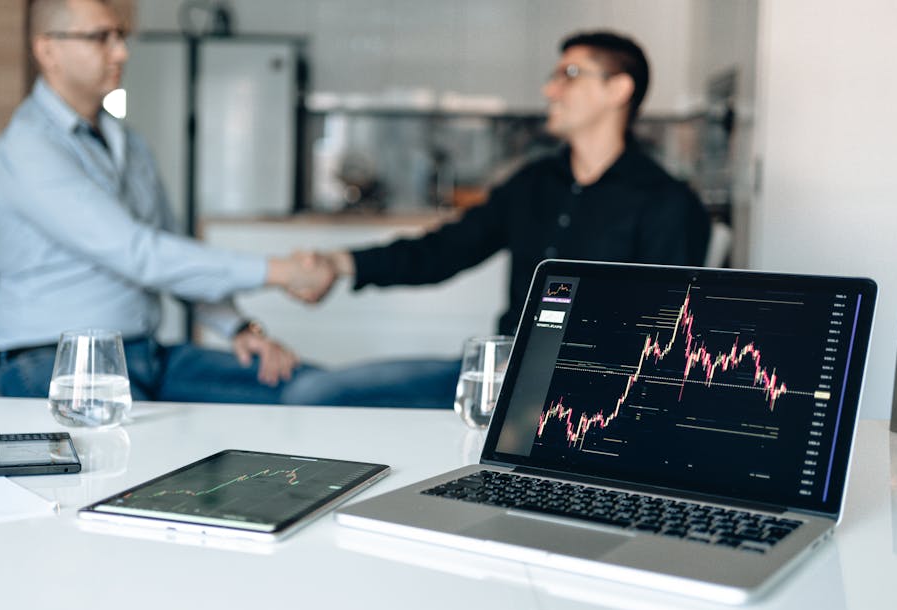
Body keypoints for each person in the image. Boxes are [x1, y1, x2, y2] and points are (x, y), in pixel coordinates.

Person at [282, 31, 710, 408]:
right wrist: (341, 263)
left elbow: (667, 334)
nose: (549, 89)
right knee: (314, 392)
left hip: (591, 400)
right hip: (503, 373)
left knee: (313, 393)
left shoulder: (667, 202)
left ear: (618, 89)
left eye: (570, 74)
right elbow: (444, 250)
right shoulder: (533, 183)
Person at [0, 0, 333, 402]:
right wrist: (280, 271)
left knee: (308, 389)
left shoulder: (128, 142)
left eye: (120, 37)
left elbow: (171, 251)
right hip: (55, 363)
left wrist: (239, 328)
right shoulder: (28, 147)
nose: (121, 52)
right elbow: (139, 253)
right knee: (144, 451)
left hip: (145, 355)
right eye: (101, 38)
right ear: (48, 50)